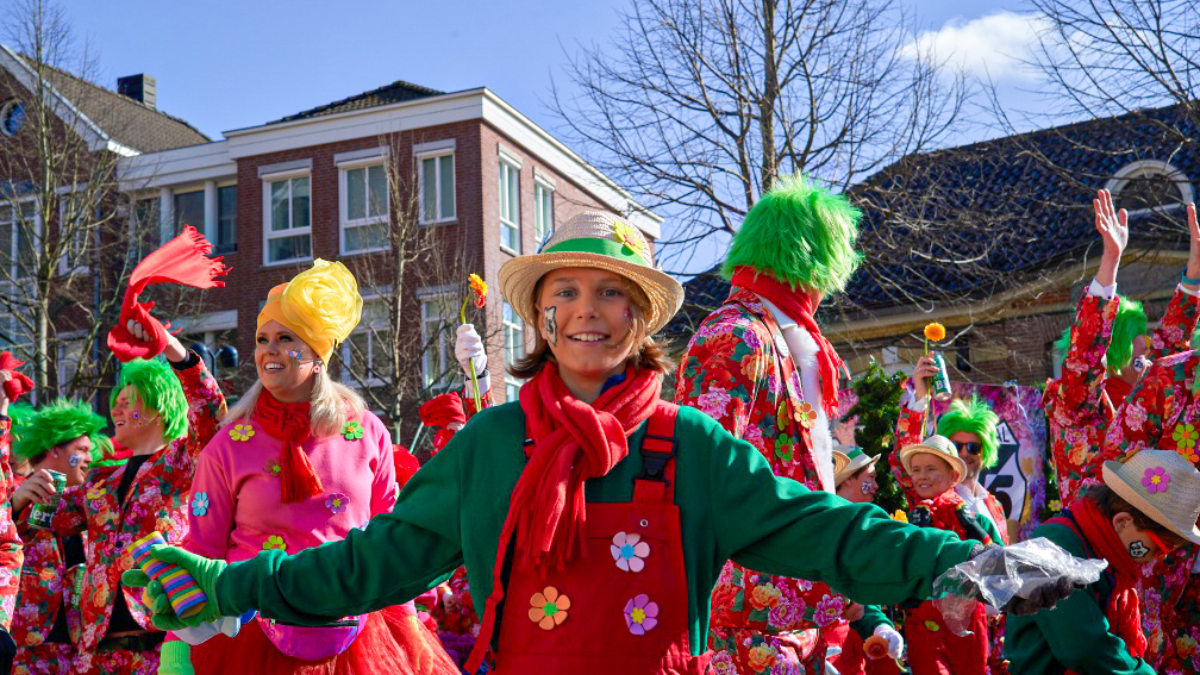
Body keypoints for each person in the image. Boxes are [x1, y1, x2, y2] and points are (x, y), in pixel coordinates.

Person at [126, 211, 1090, 675]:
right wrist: (234, 586)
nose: (586, 312)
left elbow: (826, 529)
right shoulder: (492, 444)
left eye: (609, 294)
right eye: (566, 294)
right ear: (543, 316)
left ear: (640, 319)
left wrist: (970, 560)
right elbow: (376, 562)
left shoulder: (692, 446)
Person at [158, 260, 456, 675]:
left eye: (285, 338)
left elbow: (391, 536)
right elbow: (202, 549)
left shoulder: (367, 432)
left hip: (357, 633)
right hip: (251, 635)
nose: (269, 350)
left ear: (318, 353)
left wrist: (407, 623)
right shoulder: (227, 445)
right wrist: (178, 645)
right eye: (262, 339)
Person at [675, 175, 863, 672]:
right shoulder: (735, 336)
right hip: (747, 612)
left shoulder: (794, 344)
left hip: (799, 603)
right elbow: (698, 475)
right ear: (814, 263)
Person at [47, 327, 226, 675]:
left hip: (163, 645)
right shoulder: (101, 481)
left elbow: (210, 418)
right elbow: (44, 520)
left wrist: (175, 351)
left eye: (128, 402)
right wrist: (24, 495)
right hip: (97, 652)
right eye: (116, 402)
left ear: (159, 407)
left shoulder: (181, 462)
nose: (116, 409)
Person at [1044, 190, 1200, 505]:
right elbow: (1084, 357)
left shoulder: (1146, 394)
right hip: (1094, 536)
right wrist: (1111, 261)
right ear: (1113, 356)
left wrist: (1195, 272)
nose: (1149, 358)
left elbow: (1171, 346)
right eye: (1140, 355)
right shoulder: (1078, 404)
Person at [1005, 450, 1199, 674]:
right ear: (1123, 522)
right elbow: (1082, 646)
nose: (1162, 556)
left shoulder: (1105, 552)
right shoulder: (1052, 550)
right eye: (1159, 547)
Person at [8, 400, 107, 674]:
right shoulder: (13, 495)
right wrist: (13, 507)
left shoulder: (91, 506)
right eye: (82, 450)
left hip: (81, 650)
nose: (89, 459)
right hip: (27, 650)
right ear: (54, 449)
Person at [896, 435, 1004, 675]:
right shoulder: (907, 521)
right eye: (916, 470)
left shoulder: (977, 520)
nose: (922, 476)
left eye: (931, 469)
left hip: (970, 622)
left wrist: (974, 530)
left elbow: (1000, 564)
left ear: (954, 476)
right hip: (924, 622)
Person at [827, 448, 904, 675]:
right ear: (849, 478)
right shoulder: (821, 527)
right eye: (870, 477)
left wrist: (879, 625)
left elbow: (860, 597)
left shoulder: (861, 529)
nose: (877, 487)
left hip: (848, 656)